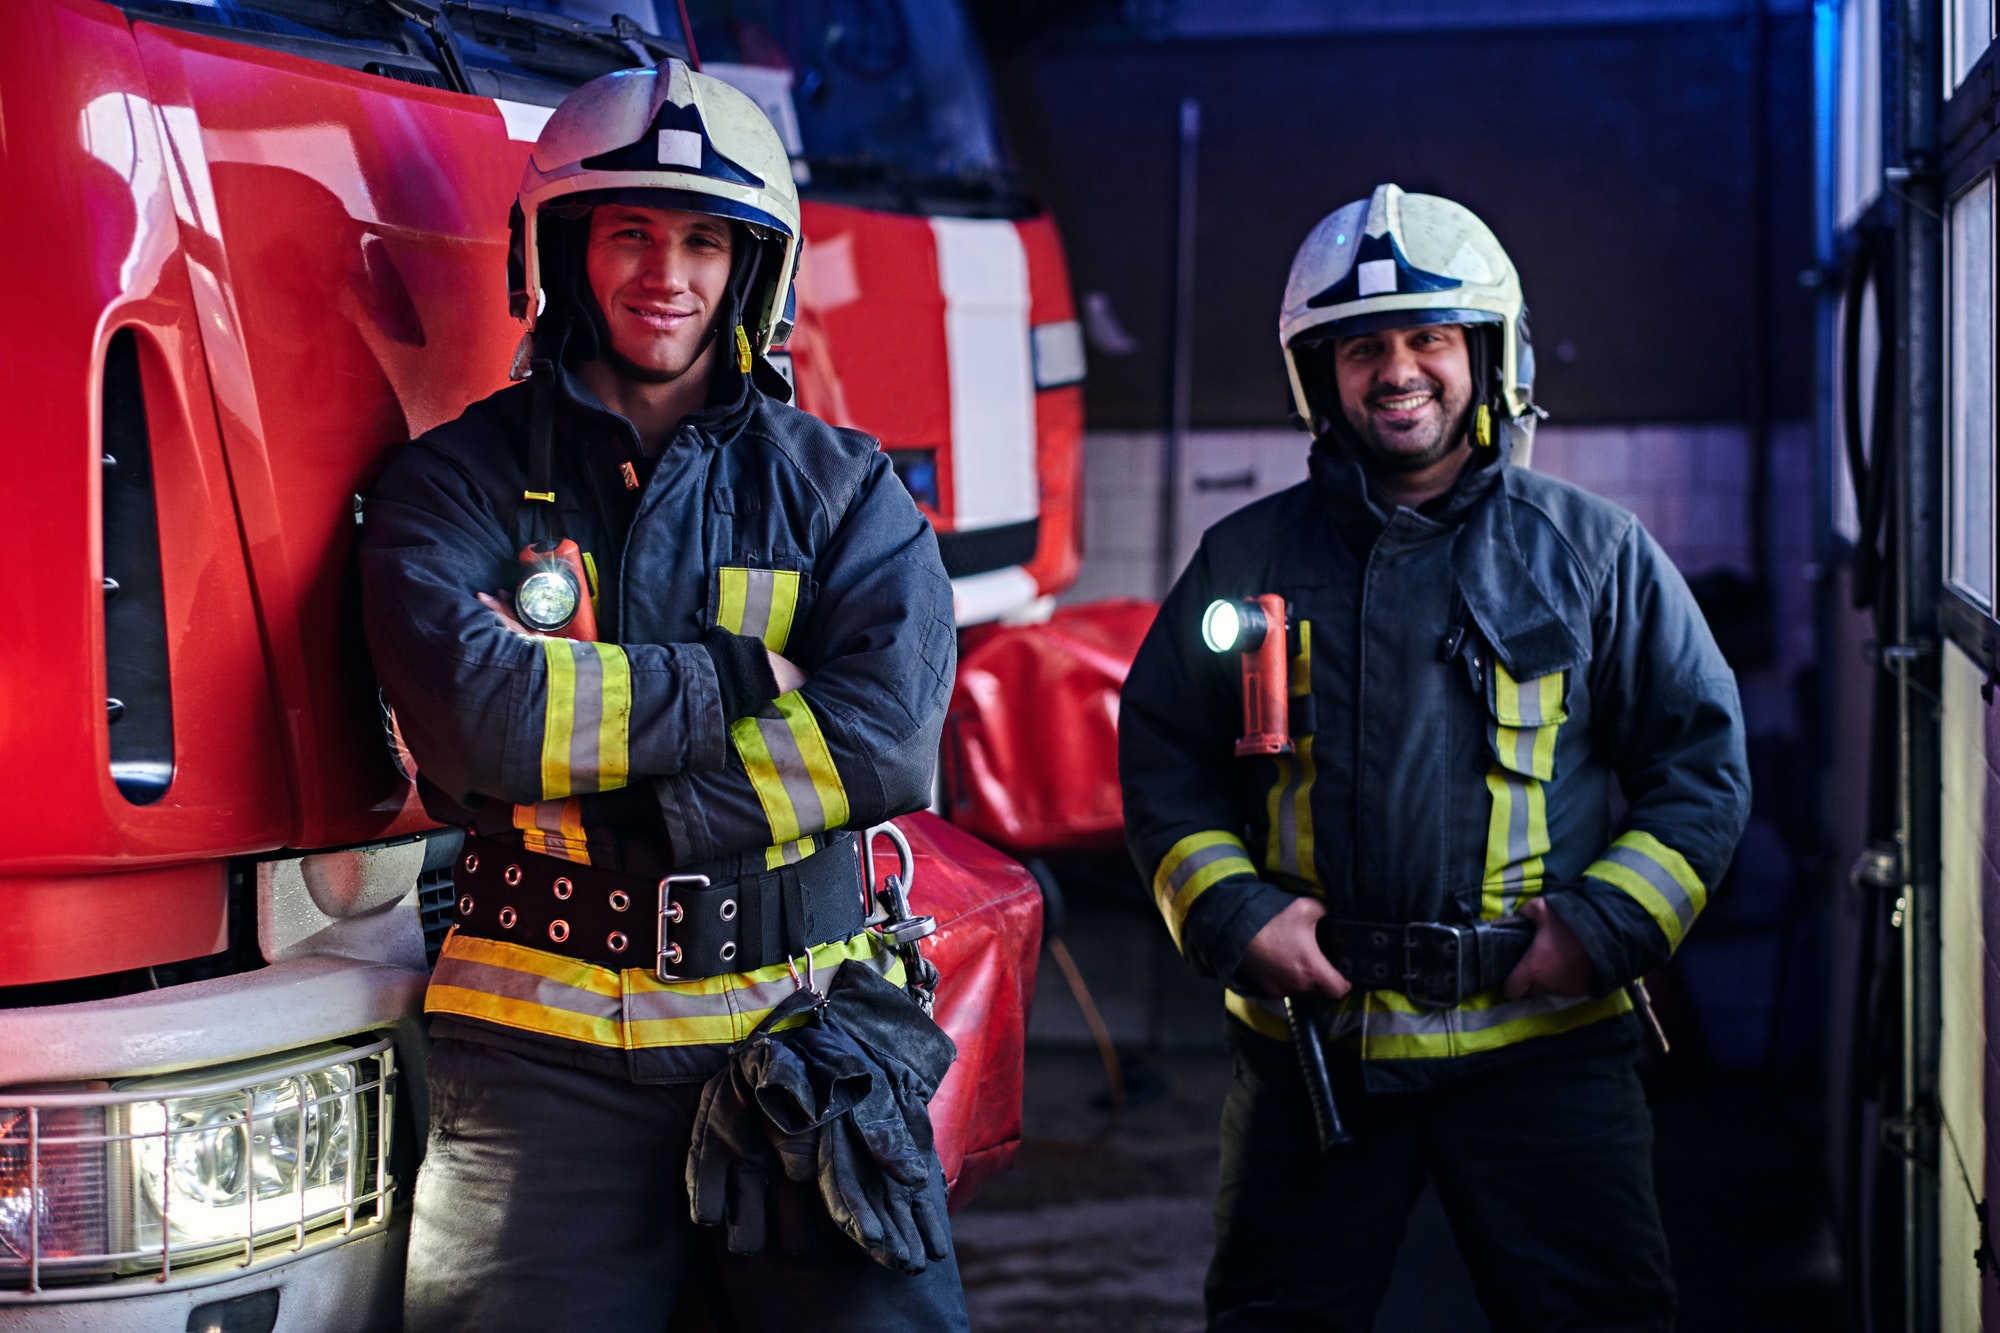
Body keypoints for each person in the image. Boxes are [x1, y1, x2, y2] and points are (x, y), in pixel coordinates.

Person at [358, 58, 965, 1331]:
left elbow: (889, 740)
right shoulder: (448, 482)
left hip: (801, 1036)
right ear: (562, 247)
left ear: (755, 269)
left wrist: (641, 793)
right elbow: (481, 721)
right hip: (535, 1067)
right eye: (629, 231)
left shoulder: (845, 490)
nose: (665, 275)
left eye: (702, 239)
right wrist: (750, 674)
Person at [1118, 184, 1751, 1332]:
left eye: (1429, 339)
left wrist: (1600, 929)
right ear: (1321, 373)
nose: (1397, 370)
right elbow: (1164, 754)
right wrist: (1234, 913)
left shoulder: (1591, 552)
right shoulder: (1243, 556)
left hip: (1544, 1057)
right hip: (1314, 1056)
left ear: (1485, 357)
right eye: (1362, 345)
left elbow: (1699, 764)